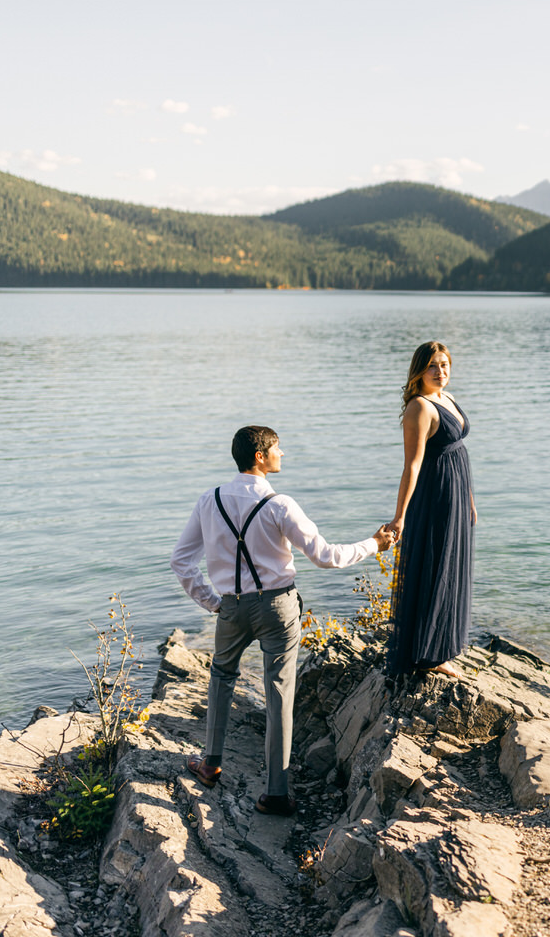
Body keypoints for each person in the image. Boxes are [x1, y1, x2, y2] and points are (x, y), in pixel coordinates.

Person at [170, 425, 392, 816]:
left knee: (221, 677)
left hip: (232, 607)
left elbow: (181, 561)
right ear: (260, 456)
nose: (282, 454)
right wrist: (374, 544)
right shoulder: (280, 505)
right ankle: (275, 792)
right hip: (278, 607)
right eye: (277, 448)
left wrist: (213, 602)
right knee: (279, 695)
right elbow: (325, 556)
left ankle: (209, 764)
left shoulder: (210, 500)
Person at [386, 341, 474, 681]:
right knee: (436, 565)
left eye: (445, 364)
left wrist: (468, 499)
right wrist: (400, 516)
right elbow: (412, 465)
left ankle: (444, 645)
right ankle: (428, 654)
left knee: (453, 566)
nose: (441, 372)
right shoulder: (419, 408)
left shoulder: (446, 398)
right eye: (432, 366)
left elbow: (457, 450)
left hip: (456, 492)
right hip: (435, 495)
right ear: (419, 372)